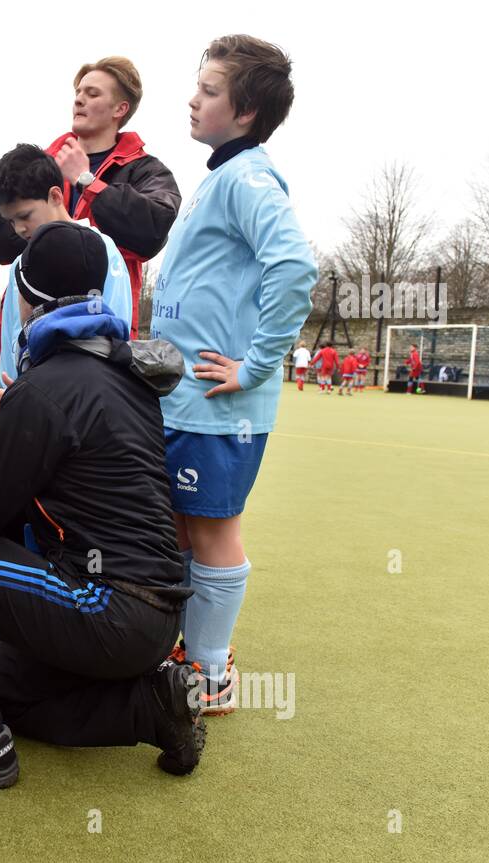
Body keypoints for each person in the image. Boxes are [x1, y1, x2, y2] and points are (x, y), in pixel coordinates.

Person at [0, 219, 203, 789]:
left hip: (103, 606)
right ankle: (151, 706)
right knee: (4, 695)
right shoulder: (123, 378)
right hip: (154, 619)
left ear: (27, 299)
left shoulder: (46, 388)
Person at [150, 35, 316, 715]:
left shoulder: (248, 176)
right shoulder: (222, 174)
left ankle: (210, 669)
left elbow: (295, 267)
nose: (194, 98)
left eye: (210, 91)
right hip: (188, 399)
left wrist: (254, 363)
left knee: (213, 530)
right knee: (185, 528)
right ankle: (188, 650)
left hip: (218, 405)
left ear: (245, 112)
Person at [0, 56, 180, 337]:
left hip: (104, 326)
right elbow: (1, 242)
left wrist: (86, 181)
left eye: (92, 94)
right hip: (29, 325)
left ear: (120, 108)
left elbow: (152, 231)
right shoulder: (38, 163)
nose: (79, 100)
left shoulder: (147, 170)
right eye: (78, 92)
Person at [0, 144, 133, 387]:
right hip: (26, 403)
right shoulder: (20, 264)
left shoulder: (103, 250)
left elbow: (116, 333)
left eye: (25, 216)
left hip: (83, 400)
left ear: (55, 196)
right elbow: (14, 336)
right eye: (11, 221)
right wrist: (9, 396)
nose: (19, 229)